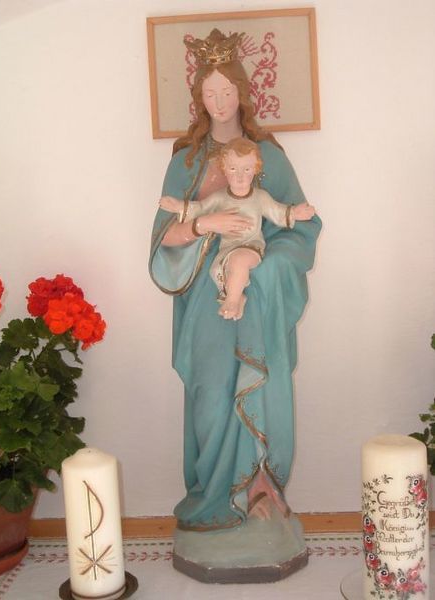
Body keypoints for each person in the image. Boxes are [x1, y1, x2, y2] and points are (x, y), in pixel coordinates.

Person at [149, 28, 321, 538]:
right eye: (210, 92)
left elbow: (298, 226)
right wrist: (206, 223)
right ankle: (213, 495)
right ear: (199, 98)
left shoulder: (269, 157)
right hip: (204, 300)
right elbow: (163, 237)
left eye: (227, 91)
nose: (220, 102)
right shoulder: (185, 161)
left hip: (255, 296)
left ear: (242, 93)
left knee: (256, 384)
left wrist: (264, 271)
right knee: (210, 393)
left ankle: (259, 491)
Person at [159, 137, 316, 321]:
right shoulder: (220, 198)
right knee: (221, 269)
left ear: (256, 169)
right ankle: (237, 296)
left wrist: (295, 213)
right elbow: (200, 208)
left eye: (246, 169)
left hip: (251, 246)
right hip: (226, 249)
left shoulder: (260, 197)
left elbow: (278, 212)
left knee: (239, 262)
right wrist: (180, 207)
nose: (240, 176)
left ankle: (232, 301)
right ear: (224, 169)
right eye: (233, 169)